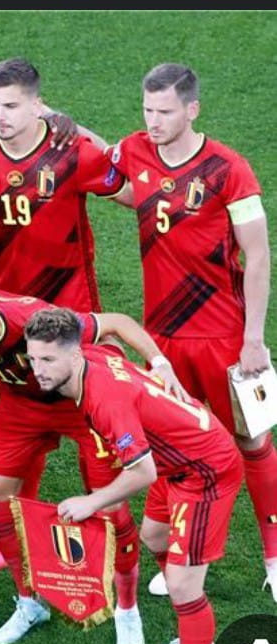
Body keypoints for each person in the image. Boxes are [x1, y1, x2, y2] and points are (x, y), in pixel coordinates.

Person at [0, 270, 188, 644]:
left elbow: (116, 323)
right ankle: (29, 603)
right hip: (21, 408)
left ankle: (127, 609)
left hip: (78, 404)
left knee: (111, 506)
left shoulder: (32, 320)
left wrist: (160, 362)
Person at [24, 307, 243, 644]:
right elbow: (116, 329)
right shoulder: (91, 359)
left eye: (48, 360)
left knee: (183, 586)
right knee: (153, 535)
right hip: (176, 461)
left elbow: (141, 473)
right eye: (33, 359)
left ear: (74, 355)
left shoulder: (105, 400)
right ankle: (192, 641)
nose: (38, 370)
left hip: (204, 471)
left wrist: (91, 501)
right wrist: (158, 362)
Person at [107, 63, 277, 603]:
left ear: (192, 110)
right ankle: (178, 552)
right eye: (147, 110)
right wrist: (56, 122)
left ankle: (275, 555)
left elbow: (258, 256)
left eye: (164, 111)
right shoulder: (136, 150)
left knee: (252, 440)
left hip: (224, 336)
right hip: (161, 340)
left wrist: (254, 338)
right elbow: (121, 181)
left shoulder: (229, 169)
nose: (153, 121)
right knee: (174, 442)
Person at [0, 57, 120, 311]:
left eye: (10, 106)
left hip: (68, 294)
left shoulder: (68, 151)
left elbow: (116, 172)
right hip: (8, 290)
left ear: (37, 106)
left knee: (82, 337)